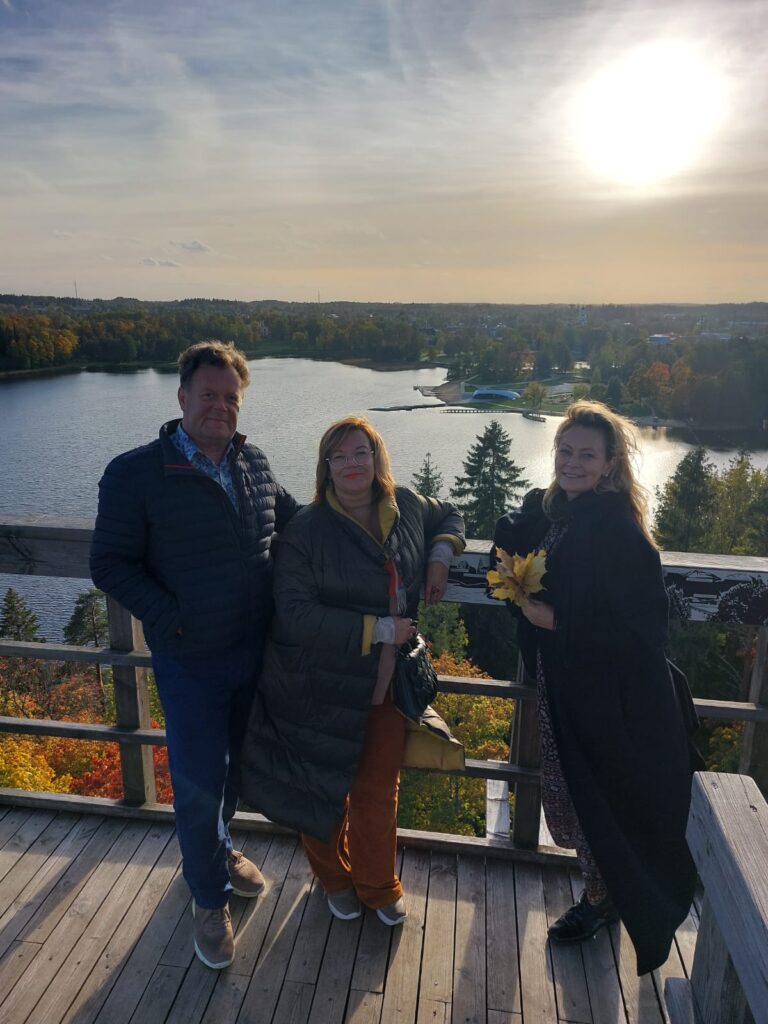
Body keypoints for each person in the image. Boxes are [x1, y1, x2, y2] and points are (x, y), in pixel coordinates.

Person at [90, 340, 299, 971]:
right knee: (198, 780)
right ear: (182, 397)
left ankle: (219, 850)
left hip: (250, 653)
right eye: (208, 395)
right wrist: (175, 618)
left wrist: (395, 521)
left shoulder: (252, 463)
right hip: (190, 661)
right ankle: (208, 899)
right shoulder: (135, 474)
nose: (220, 407)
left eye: (231, 397)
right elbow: (109, 564)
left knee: (233, 771)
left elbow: (300, 524)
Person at [493, 400, 701, 976]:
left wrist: (555, 620)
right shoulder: (559, 510)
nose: (573, 463)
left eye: (587, 455)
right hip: (566, 685)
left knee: (593, 796)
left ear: (610, 464)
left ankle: (603, 901)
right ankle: (600, 891)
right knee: (570, 792)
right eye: (565, 451)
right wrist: (508, 574)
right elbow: (514, 536)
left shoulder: (617, 528)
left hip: (609, 699)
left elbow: (643, 629)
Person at [240, 415, 465, 926]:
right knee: (319, 790)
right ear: (325, 467)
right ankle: (335, 880)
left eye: (361, 452)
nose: (351, 464)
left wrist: (439, 555)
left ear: (377, 456)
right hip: (315, 684)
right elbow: (293, 611)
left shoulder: (405, 505)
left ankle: (377, 885)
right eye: (338, 456)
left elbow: (450, 513)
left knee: (376, 790)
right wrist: (379, 629)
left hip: (385, 684)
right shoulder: (307, 529)